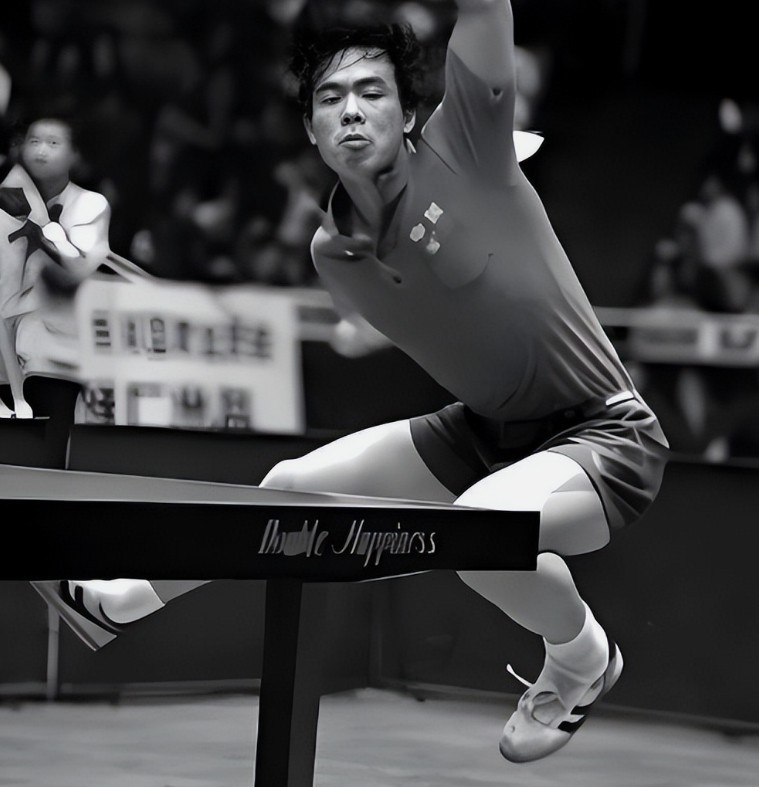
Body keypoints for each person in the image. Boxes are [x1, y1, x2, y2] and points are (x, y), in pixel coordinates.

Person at [33, 0, 668, 764]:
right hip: (483, 432)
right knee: (291, 485)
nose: (352, 110)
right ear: (310, 129)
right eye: (330, 98)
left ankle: (580, 657)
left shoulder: (469, 145)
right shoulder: (332, 255)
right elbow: (427, 314)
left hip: (604, 432)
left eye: (372, 92)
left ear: (410, 114)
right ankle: (121, 604)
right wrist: (361, 333)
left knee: (478, 530)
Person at [0, 115, 111, 418]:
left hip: (59, 353)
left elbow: (80, 268)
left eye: (53, 143)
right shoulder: (6, 202)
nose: (41, 151)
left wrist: (51, 233)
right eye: (33, 142)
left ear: (74, 155)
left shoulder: (90, 204)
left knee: (53, 435)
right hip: (10, 356)